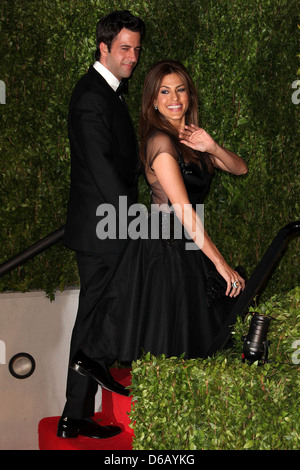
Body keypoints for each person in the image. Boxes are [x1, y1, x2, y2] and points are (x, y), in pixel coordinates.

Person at [92, 60, 248, 364]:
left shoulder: (190, 139)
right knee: (174, 344)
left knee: (195, 341)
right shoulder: (160, 142)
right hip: (165, 250)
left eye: (180, 90)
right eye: (164, 92)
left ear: (189, 95)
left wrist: (212, 147)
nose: (174, 99)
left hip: (187, 245)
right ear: (153, 100)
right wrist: (221, 263)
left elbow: (240, 169)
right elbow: (184, 210)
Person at [57, 10, 145, 440]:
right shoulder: (93, 95)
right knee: (95, 319)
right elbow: (104, 172)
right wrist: (134, 223)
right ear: (104, 47)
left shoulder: (107, 91)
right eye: (125, 48)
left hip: (106, 226)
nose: (133, 57)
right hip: (104, 229)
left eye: (136, 49)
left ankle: (76, 414)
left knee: (93, 320)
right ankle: (76, 413)